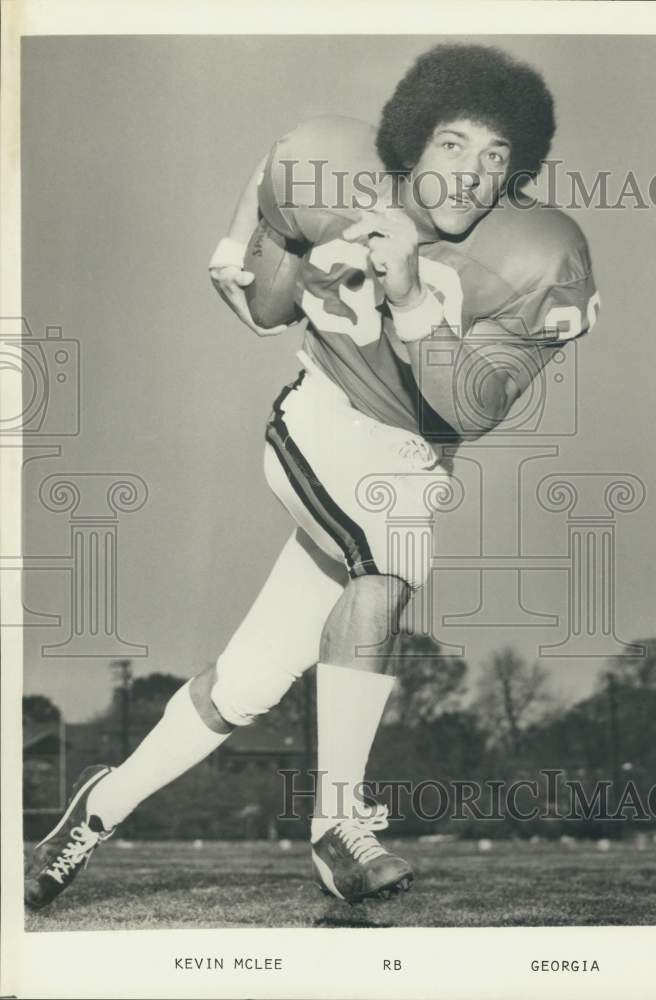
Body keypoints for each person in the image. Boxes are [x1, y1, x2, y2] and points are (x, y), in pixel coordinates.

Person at [25, 43, 598, 910]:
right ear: (411, 141)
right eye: (455, 143)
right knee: (390, 565)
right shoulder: (330, 174)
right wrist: (267, 229)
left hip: (413, 463)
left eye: (496, 158)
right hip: (321, 416)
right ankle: (338, 821)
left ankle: (93, 814)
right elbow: (264, 304)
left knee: (246, 686)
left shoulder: (534, 253)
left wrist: (408, 293)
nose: (475, 173)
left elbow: (474, 411)